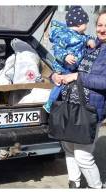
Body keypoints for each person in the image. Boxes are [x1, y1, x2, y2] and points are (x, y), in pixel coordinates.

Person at [51, 9, 106, 188]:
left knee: (83, 155)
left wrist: (78, 77)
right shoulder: (90, 43)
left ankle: (96, 187)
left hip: (91, 108)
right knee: (68, 147)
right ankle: (74, 183)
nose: (102, 29)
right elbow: (64, 62)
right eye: (100, 25)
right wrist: (55, 75)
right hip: (71, 103)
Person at [43, 6, 95, 113]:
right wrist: (65, 56)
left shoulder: (81, 35)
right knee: (59, 85)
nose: (87, 25)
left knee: (69, 87)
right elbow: (57, 50)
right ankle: (49, 103)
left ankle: (66, 106)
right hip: (63, 67)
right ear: (79, 24)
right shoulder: (65, 35)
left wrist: (90, 41)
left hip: (73, 68)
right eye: (86, 23)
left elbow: (87, 38)